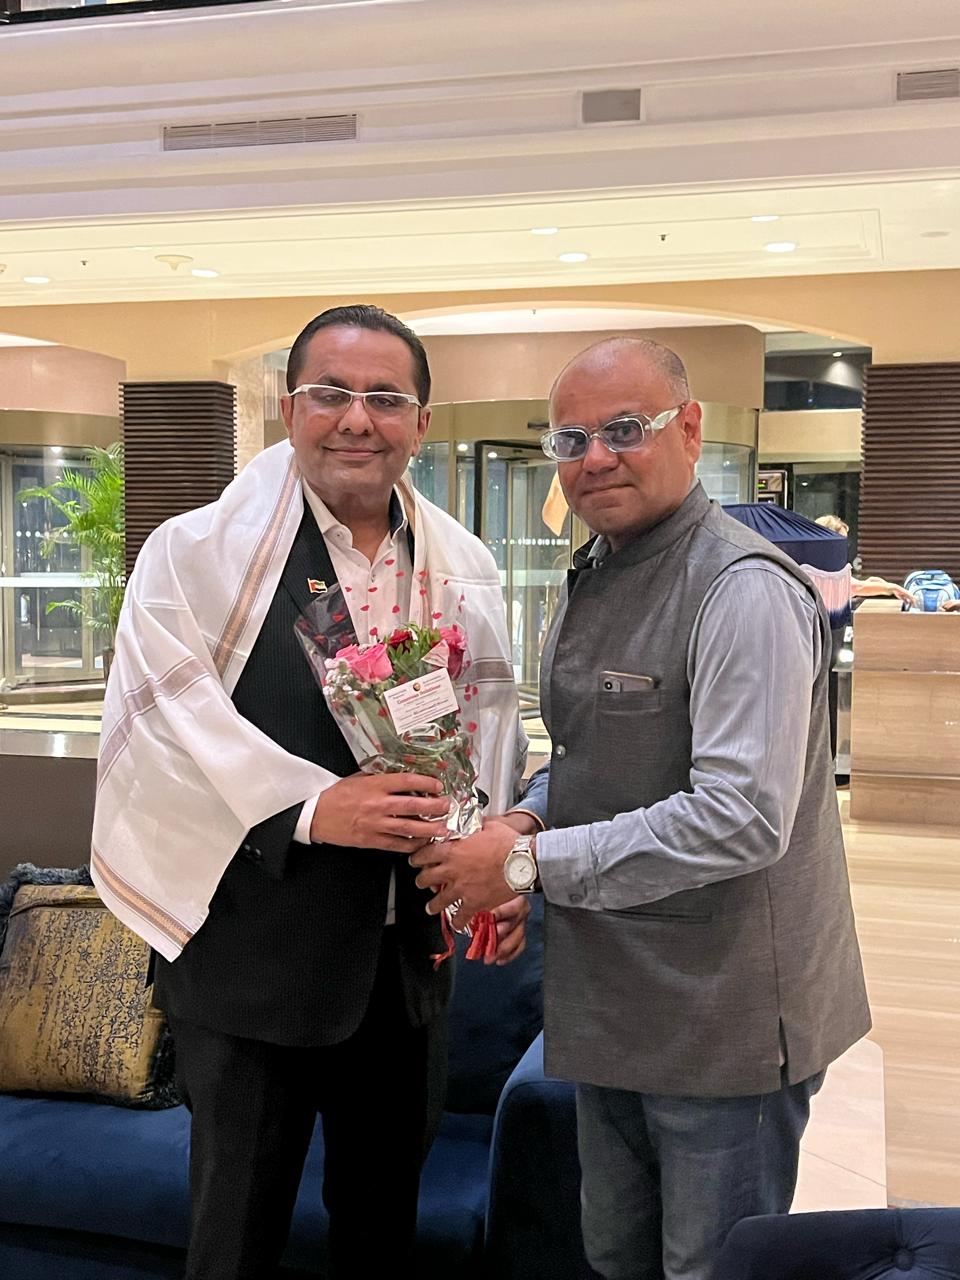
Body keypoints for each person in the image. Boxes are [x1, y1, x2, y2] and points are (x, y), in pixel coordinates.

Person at [411, 336, 871, 1280]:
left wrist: (526, 866)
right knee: (615, 1256)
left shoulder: (741, 589)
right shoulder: (597, 572)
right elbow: (588, 759)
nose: (596, 458)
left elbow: (740, 817)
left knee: (710, 1267)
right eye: (571, 439)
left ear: (689, 430)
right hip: (611, 997)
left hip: (724, 1018)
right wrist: (524, 824)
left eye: (625, 429)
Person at [91, 305, 530, 1280]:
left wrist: (490, 857)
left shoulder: (462, 567)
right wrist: (311, 807)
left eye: (386, 398)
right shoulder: (194, 556)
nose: (357, 418)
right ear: (290, 409)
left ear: (421, 422)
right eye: (331, 393)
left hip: (404, 975)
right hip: (253, 970)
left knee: (381, 1236)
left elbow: (485, 726)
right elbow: (162, 727)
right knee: (233, 1245)